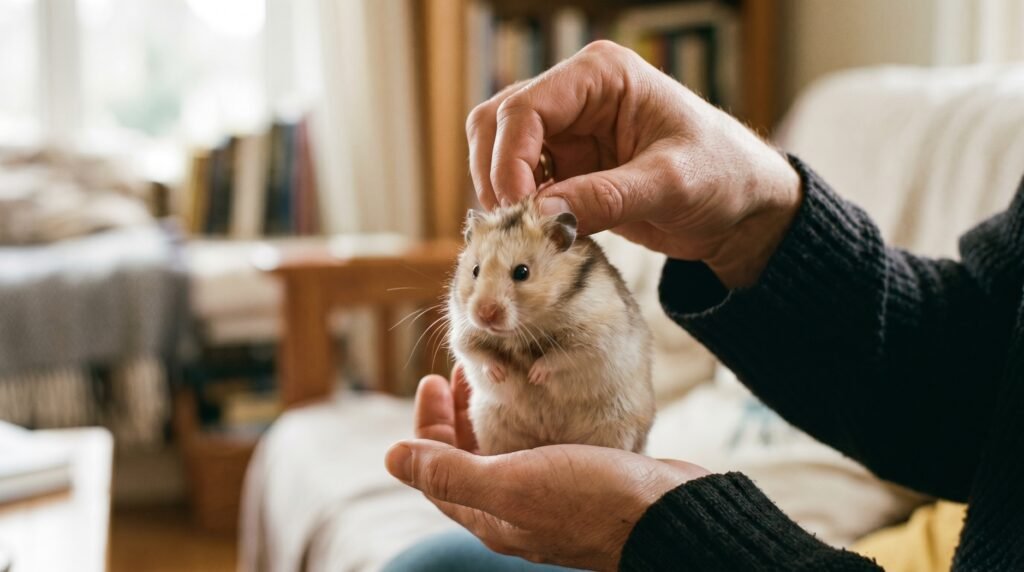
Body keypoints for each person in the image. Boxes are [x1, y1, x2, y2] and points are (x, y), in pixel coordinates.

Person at [383, 40, 1023, 570]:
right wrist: (757, 218)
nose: (486, 303)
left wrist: (663, 532)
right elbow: (982, 367)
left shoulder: (587, 301)